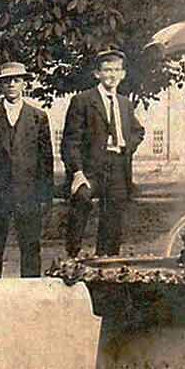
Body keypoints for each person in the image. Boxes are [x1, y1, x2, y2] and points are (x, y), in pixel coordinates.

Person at [0, 62, 55, 278]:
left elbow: (46, 161)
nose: (11, 84)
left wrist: (45, 195)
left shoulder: (38, 117)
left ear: (23, 84)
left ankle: (31, 293)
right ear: (0, 85)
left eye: (16, 80)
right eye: (6, 81)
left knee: (30, 247)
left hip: (28, 194)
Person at [62, 49, 145, 258]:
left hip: (118, 166)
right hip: (90, 168)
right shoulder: (83, 100)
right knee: (81, 200)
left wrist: (127, 145)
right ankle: (72, 253)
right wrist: (77, 172)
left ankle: (106, 260)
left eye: (117, 70)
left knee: (114, 214)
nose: (112, 75)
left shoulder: (125, 103)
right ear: (97, 74)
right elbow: (70, 141)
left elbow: (138, 131)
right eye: (107, 70)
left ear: (123, 74)